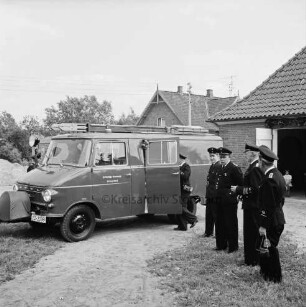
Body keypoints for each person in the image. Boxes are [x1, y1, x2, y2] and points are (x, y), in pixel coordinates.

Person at [257, 145, 286, 283]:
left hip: (272, 221)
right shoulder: (277, 174)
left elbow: (268, 206)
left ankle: (274, 276)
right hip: (277, 218)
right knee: (266, 246)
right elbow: (281, 200)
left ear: (261, 160)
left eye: (259, 160)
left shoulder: (269, 179)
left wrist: (263, 226)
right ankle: (267, 273)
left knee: (270, 248)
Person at [231, 144, 264, 266]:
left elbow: (255, 189)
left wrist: (239, 189)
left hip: (253, 206)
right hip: (250, 205)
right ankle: (250, 258)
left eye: (246, 153)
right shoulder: (253, 166)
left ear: (253, 154)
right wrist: (242, 194)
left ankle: (253, 260)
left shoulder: (255, 168)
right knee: (249, 233)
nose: (245, 156)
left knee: (252, 233)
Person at [215, 147, 243, 253]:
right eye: (221, 157)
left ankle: (233, 246)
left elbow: (241, 183)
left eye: (224, 157)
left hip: (230, 200)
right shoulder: (219, 167)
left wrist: (236, 194)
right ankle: (221, 244)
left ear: (229, 157)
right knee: (220, 223)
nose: (222, 159)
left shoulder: (234, 168)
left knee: (230, 224)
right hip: (220, 199)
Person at [174, 154, 198, 231]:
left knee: (182, 207)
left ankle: (193, 219)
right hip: (179, 190)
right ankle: (182, 226)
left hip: (185, 190)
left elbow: (186, 176)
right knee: (178, 208)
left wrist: (179, 172)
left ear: (181, 159)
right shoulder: (180, 167)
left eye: (177, 159)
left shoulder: (186, 166)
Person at [203, 147, 221, 238]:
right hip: (210, 194)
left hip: (215, 195)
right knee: (209, 214)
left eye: (213, 156)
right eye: (210, 156)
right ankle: (208, 232)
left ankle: (217, 233)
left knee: (216, 215)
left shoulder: (218, 166)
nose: (211, 158)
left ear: (218, 155)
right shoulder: (212, 166)